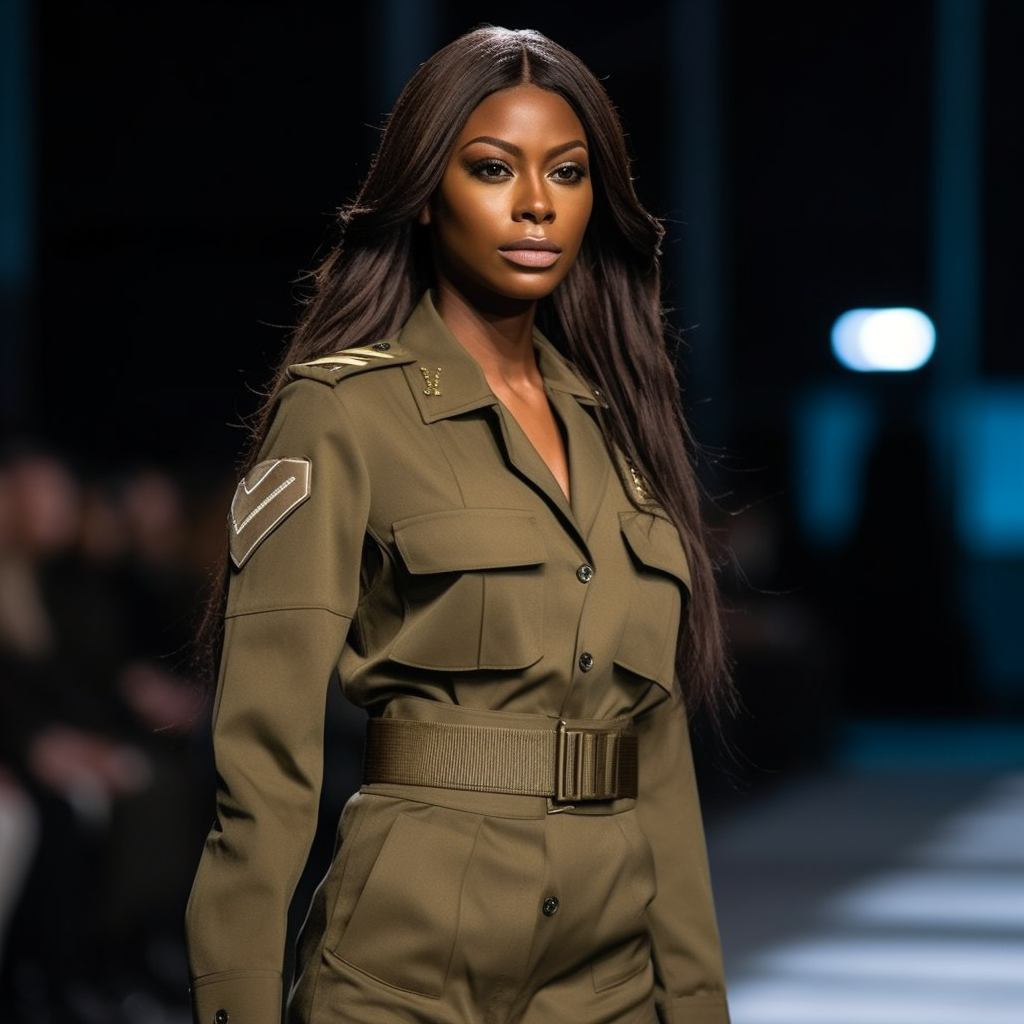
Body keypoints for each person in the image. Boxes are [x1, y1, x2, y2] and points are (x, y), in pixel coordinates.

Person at [185, 24, 735, 1024]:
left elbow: (655, 757)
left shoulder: (620, 428)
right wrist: (234, 1005)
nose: (536, 203)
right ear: (427, 193)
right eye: (493, 168)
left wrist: (696, 1001)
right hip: (404, 968)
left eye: (567, 173)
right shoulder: (345, 413)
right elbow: (263, 759)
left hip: (607, 976)